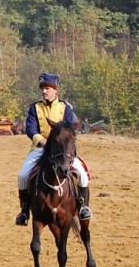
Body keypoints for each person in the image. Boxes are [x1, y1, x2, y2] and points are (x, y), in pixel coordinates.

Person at [15, 73, 92, 225]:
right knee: (23, 176)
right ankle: (24, 210)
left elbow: (71, 129)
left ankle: (83, 207)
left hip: (63, 151)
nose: (44, 91)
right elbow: (30, 129)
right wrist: (42, 140)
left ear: (56, 90)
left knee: (82, 174)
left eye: (48, 88)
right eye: (42, 88)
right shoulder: (34, 108)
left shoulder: (65, 108)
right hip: (40, 149)